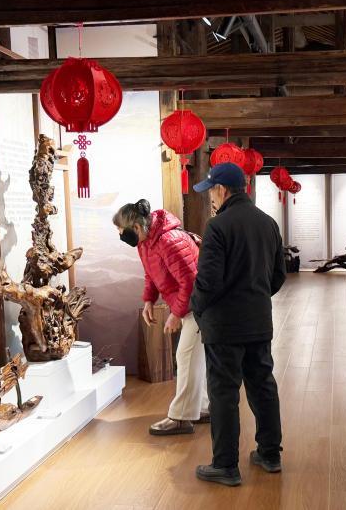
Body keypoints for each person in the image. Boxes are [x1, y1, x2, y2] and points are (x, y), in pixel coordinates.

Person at [190, 163, 287, 487]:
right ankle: (270, 454)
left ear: (222, 189)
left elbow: (208, 281)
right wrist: (255, 298)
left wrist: (196, 307)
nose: (211, 199)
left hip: (224, 326)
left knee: (224, 393)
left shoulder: (217, 227)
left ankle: (225, 465)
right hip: (258, 321)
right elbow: (278, 276)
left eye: (211, 192)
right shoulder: (268, 223)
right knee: (263, 385)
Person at [113, 199, 209, 435]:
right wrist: (148, 300)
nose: (120, 236)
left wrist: (175, 314)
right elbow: (151, 273)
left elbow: (190, 282)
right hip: (190, 305)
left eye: (121, 231)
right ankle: (204, 407)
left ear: (136, 227)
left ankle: (181, 418)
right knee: (193, 357)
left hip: (201, 305)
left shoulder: (169, 240)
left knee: (186, 355)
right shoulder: (146, 242)